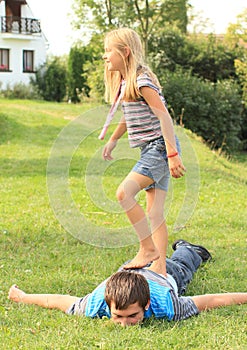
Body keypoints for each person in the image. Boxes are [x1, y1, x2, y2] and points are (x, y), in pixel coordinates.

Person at [100, 28, 186, 273]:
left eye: (108, 51)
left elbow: (164, 117)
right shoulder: (129, 82)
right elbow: (129, 118)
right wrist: (114, 139)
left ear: (125, 52)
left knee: (123, 194)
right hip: (152, 149)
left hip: (159, 149)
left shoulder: (141, 80)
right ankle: (160, 268)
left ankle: (147, 249)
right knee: (155, 212)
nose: (105, 56)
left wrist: (171, 153)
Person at [8, 240, 247, 327]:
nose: (124, 324)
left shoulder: (168, 305)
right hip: (131, 268)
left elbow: (212, 300)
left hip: (163, 275)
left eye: (132, 316)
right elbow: (61, 301)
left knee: (184, 267)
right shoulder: (95, 304)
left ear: (147, 305)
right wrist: (23, 297)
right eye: (118, 316)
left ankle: (188, 248)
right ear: (108, 305)